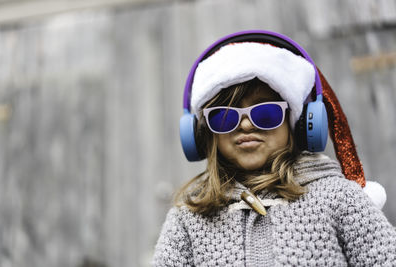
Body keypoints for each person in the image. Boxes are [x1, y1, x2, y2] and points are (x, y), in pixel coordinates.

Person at [152, 30, 396, 266]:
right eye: (225, 116)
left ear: (299, 126)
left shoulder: (339, 198)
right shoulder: (189, 215)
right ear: (204, 134)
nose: (246, 125)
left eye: (265, 113)